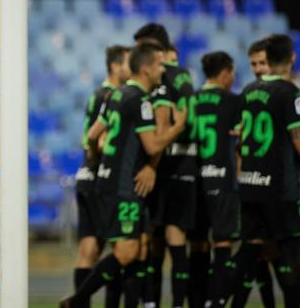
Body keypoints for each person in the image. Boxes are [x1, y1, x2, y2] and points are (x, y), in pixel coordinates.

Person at [213, 34, 300, 308]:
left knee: (249, 250)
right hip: (281, 189)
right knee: (290, 256)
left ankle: (216, 302)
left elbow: (243, 138)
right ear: (293, 59)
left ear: (268, 60)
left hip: (251, 184)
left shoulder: (247, 90)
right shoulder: (290, 93)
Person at [61, 43, 187, 308]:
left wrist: (101, 160)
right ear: (146, 69)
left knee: (134, 250)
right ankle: (77, 300)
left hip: (107, 181)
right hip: (124, 186)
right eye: (158, 65)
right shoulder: (140, 101)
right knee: (128, 252)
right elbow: (152, 145)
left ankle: (85, 300)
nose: (162, 70)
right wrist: (177, 128)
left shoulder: (115, 95)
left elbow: (93, 136)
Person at [134, 23, 198, 308]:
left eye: (144, 46)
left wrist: (150, 165)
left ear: (159, 49)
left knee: (158, 240)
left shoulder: (162, 80)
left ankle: (152, 303)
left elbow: (161, 127)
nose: (139, 52)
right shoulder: (184, 76)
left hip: (165, 165)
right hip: (187, 163)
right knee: (174, 238)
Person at [74, 45, 132, 308]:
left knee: (89, 249)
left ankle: (78, 303)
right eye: (128, 63)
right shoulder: (112, 96)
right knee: (118, 249)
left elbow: (85, 139)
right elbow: (96, 141)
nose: (131, 69)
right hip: (101, 179)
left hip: (86, 176)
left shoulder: (96, 95)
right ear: (115, 67)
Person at [188, 52, 242, 308]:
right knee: (223, 242)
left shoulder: (192, 99)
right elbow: (242, 138)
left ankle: (196, 302)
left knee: (197, 244)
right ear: (225, 73)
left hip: (196, 182)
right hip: (222, 179)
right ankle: (217, 302)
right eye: (232, 73)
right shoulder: (232, 101)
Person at [231, 38, 277, 308]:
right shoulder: (248, 94)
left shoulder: (282, 93)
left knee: (262, 253)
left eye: (263, 63)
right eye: (254, 64)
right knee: (260, 251)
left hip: (273, 185)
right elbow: (241, 145)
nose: (258, 69)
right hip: (255, 185)